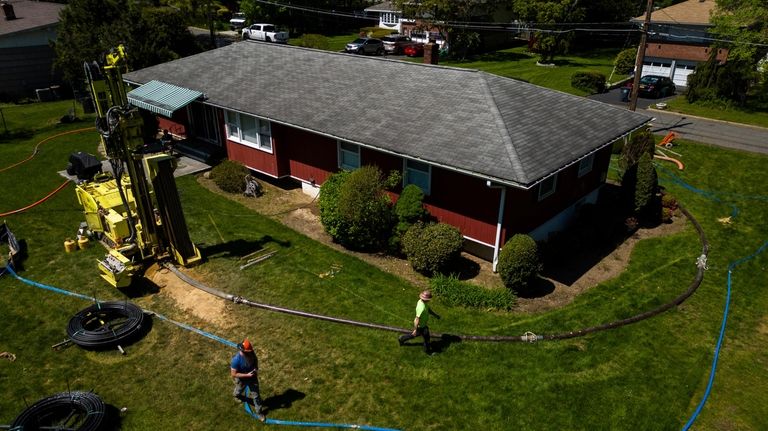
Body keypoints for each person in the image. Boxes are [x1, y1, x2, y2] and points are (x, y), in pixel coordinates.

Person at [230, 338, 265, 422]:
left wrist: (256, 368)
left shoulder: (251, 353)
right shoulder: (236, 360)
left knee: (256, 396)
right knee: (239, 390)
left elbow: (255, 360)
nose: (250, 352)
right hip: (242, 379)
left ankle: (259, 412)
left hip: (252, 377)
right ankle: (236, 395)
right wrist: (246, 375)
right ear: (243, 351)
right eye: (248, 352)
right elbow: (233, 374)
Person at [398, 290, 441, 354]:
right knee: (426, 338)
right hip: (421, 326)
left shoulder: (421, 301)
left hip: (422, 325)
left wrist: (435, 315)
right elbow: (417, 319)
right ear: (426, 299)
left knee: (416, 335)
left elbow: (428, 309)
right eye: (429, 299)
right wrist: (415, 329)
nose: (429, 300)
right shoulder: (422, 308)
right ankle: (428, 351)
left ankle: (402, 338)